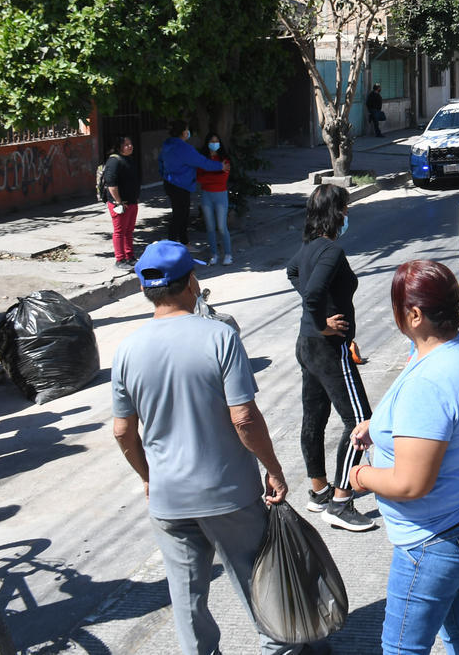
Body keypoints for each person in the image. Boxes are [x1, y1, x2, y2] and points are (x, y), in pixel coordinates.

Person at [111, 242, 313, 655]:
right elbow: (244, 419)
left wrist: (149, 477)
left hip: (169, 499)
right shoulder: (219, 336)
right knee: (258, 579)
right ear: (190, 282)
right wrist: (272, 468)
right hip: (228, 495)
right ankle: (281, 649)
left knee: (186, 598)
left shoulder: (127, 350)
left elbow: (121, 432)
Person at [348, 260, 459, 654]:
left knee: (402, 648)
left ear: (414, 315)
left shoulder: (429, 384)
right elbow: (424, 410)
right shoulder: (455, 347)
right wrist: (378, 425)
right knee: (458, 623)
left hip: (434, 538)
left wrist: (362, 477)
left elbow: (410, 483)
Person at [286, 184, 375, 532]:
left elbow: (292, 274)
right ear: (335, 213)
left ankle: (318, 489)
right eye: (345, 208)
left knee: (315, 416)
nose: (348, 214)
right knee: (360, 420)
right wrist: (324, 324)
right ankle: (340, 502)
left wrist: (316, 320)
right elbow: (311, 293)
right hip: (327, 348)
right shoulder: (331, 251)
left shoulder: (309, 247)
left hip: (306, 347)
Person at [160, 119, 228, 246]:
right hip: (180, 185)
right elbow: (202, 162)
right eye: (187, 129)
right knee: (180, 216)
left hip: (170, 183)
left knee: (182, 214)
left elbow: (160, 162)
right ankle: (171, 245)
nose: (188, 132)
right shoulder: (184, 148)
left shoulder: (167, 144)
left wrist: (166, 174)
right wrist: (219, 166)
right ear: (183, 132)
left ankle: (184, 243)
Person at [102, 135, 141, 269]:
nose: (129, 146)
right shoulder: (114, 161)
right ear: (118, 147)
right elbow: (111, 184)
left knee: (129, 231)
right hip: (120, 203)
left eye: (130, 143)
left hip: (131, 202)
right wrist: (118, 202)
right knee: (120, 231)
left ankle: (129, 256)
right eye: (126, 144)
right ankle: (120, 260)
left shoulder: (128, 159)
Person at [196, 132, 233, 266]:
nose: (214, 143)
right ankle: (214, 254)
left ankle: (228, 254)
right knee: (210, 227)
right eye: (212, 140)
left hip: (221, 194)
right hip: (206, 194)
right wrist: (216, 172)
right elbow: (198, 178)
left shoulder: (224, 158)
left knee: (222, 226)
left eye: (216, 140)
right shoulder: (202, 159)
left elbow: (223, 178)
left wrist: (208, 175)